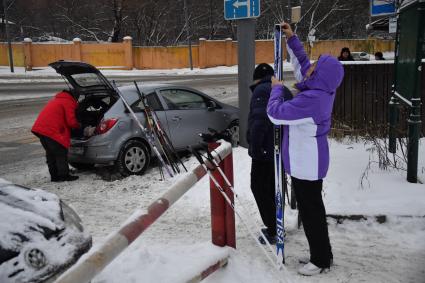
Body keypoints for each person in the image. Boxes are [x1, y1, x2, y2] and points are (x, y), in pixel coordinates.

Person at [267, 23, 344, 276]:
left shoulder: (312, 100)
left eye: (315, 67)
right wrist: (292, 38)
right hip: (309, 162)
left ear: (318, 76)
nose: (310, 66)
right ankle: (323, 254)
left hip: (307, 166)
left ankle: (320, 260)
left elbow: (275, 114)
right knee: (313, 210)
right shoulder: (319, 88)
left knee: (311, 213)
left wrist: (277, 88)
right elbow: (303, 64)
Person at [247, 63, 292, 245]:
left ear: (257, 77)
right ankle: (277, 225)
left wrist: (256, 147)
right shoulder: (283, 90)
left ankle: (274, 229)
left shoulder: (260, 91)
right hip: (280, 147)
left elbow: (259, 121)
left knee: (259, 187)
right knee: (274, 189)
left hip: (265, 150)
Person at [32, 89, 81, 182]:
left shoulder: (56, 100)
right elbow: (71, 121)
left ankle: (54, 176)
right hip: (52, 130)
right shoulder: (69, 102)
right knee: (60, 153)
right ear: (74, 96)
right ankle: (64, 176)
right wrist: (79, 125)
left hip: (41, 130)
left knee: (50, 154)